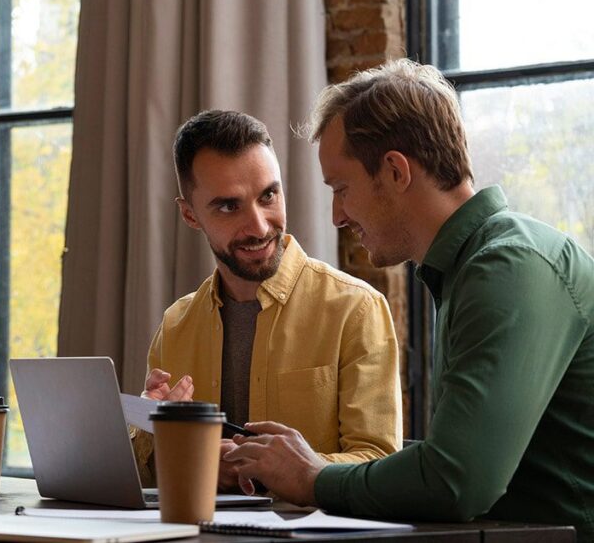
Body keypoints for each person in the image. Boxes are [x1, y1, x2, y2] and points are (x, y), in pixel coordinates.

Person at [223, 59, 594, 538]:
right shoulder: (474, 268)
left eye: (341, 188)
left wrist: (312, 478)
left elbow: (456, 480)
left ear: (396, 172)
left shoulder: (508, 267)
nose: (336, 215)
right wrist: (306, 465)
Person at [133, 110, 402, 491]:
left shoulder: (356, 310)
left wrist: (264, 467)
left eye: (268, 196)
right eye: (229, 206)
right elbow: (147, 478)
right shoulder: (176, 325)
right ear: (190, 214)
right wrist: (152, 428)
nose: (259, 226)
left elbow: (378, 463)